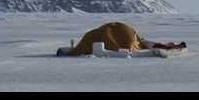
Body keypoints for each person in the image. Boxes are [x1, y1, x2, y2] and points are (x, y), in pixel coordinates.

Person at [57, 22, 186, 56]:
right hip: (131, 37)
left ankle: (172, 46)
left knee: (148, 44)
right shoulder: (94, 35)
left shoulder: (91, 36)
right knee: (148, 44)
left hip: (129, 37)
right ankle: (172, 46)